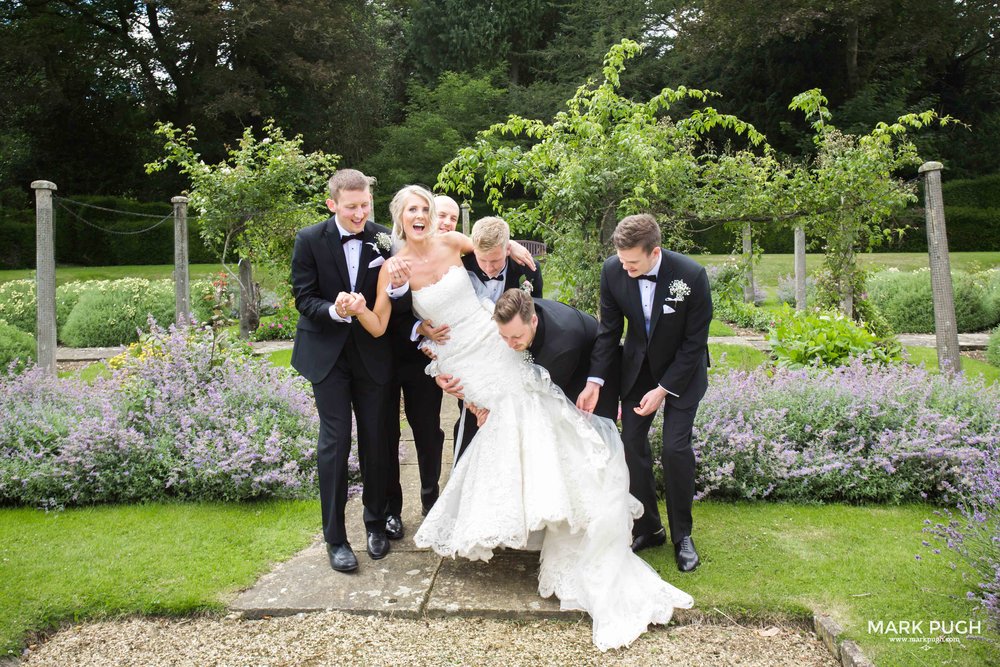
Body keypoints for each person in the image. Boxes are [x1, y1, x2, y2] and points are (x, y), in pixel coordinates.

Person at [344, 185, 693, 651]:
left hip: (492, 339)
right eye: (413, 210)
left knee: (533, 416)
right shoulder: (392, 266)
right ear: (400, 218)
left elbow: (493, 247)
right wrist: (360, 307)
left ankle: (569, 513)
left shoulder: (453, 242)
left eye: (426, 209)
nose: (422, 216)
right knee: (497, 430)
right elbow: (382, 325)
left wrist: (508, 244)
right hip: (456, 358)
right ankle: (519, 519)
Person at [576, 214, 712, 572]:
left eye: (632, 262)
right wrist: (595, 381)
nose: (625, 267)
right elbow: (608, 333)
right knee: (631, 444)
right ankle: (649, 525)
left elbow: (695, 343)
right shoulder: (612, 271)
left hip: (682, 374)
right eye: (621, 260)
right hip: (638, 371)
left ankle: (683, 534)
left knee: (674, 448)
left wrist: (665, 389)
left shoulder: (692, 276)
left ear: (655, 252)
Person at [290, 168, 394, 573]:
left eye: (365, 205)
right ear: (332, 203)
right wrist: (335, 310)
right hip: (327, 354)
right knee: (335, 441)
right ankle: (335, 538)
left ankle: (375, 525)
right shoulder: (309, 240)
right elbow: (304, 298)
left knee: (376, 437)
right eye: (351, 207)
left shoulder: (384, 238)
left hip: (372, 352)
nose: (359, 214)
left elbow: (401, 288)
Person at [437, 288, 620, 422]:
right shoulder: (522, 312)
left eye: (516, 337)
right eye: (504, 336)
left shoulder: (560, 347)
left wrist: (496, 415)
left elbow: (541, 397)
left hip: (592, 371)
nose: (509, 344)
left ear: (533, 321)